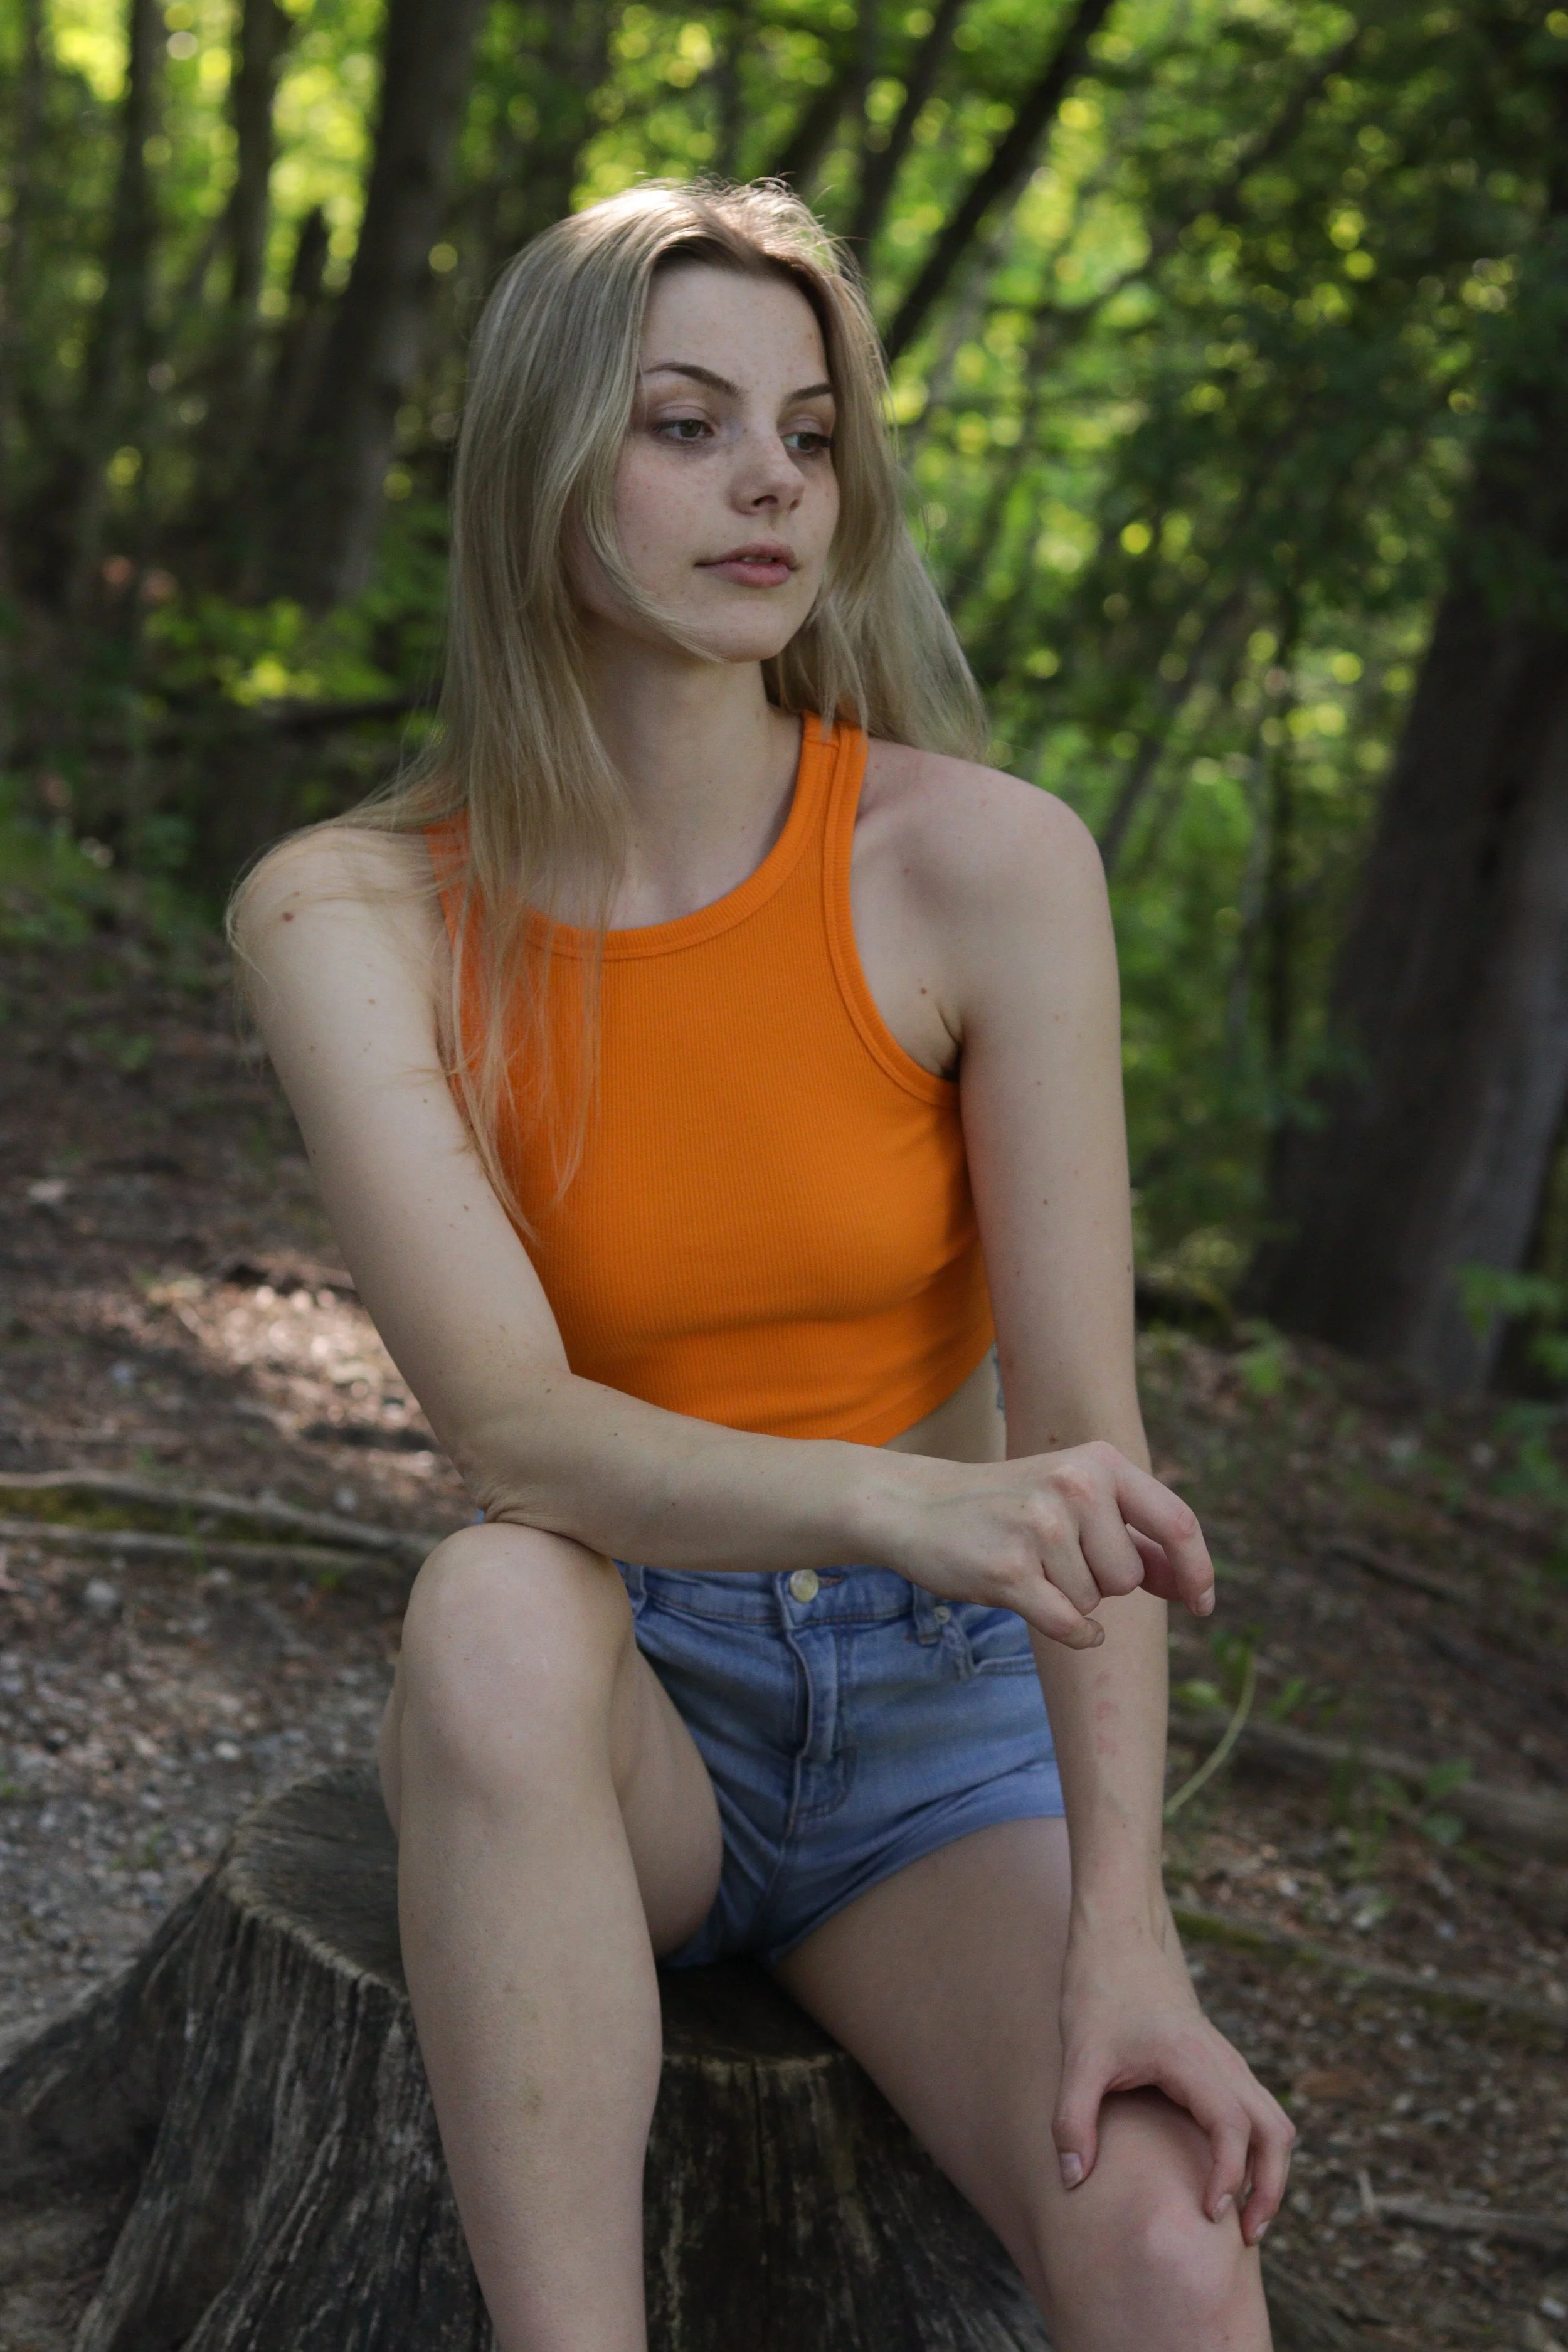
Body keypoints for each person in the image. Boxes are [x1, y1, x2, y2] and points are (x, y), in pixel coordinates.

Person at [235, 178, 1293, 2352]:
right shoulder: (354, 913)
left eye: (807, 437)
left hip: (942, 1719)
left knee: (1178, 2251)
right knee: (491, 1601)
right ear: (544, 463)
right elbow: (514, 1433)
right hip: (630, 1720)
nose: (767, 487)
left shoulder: (981, 864)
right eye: (687, 422)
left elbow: (1086, 1442)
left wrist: (1128, 1928)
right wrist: (924, 1492)